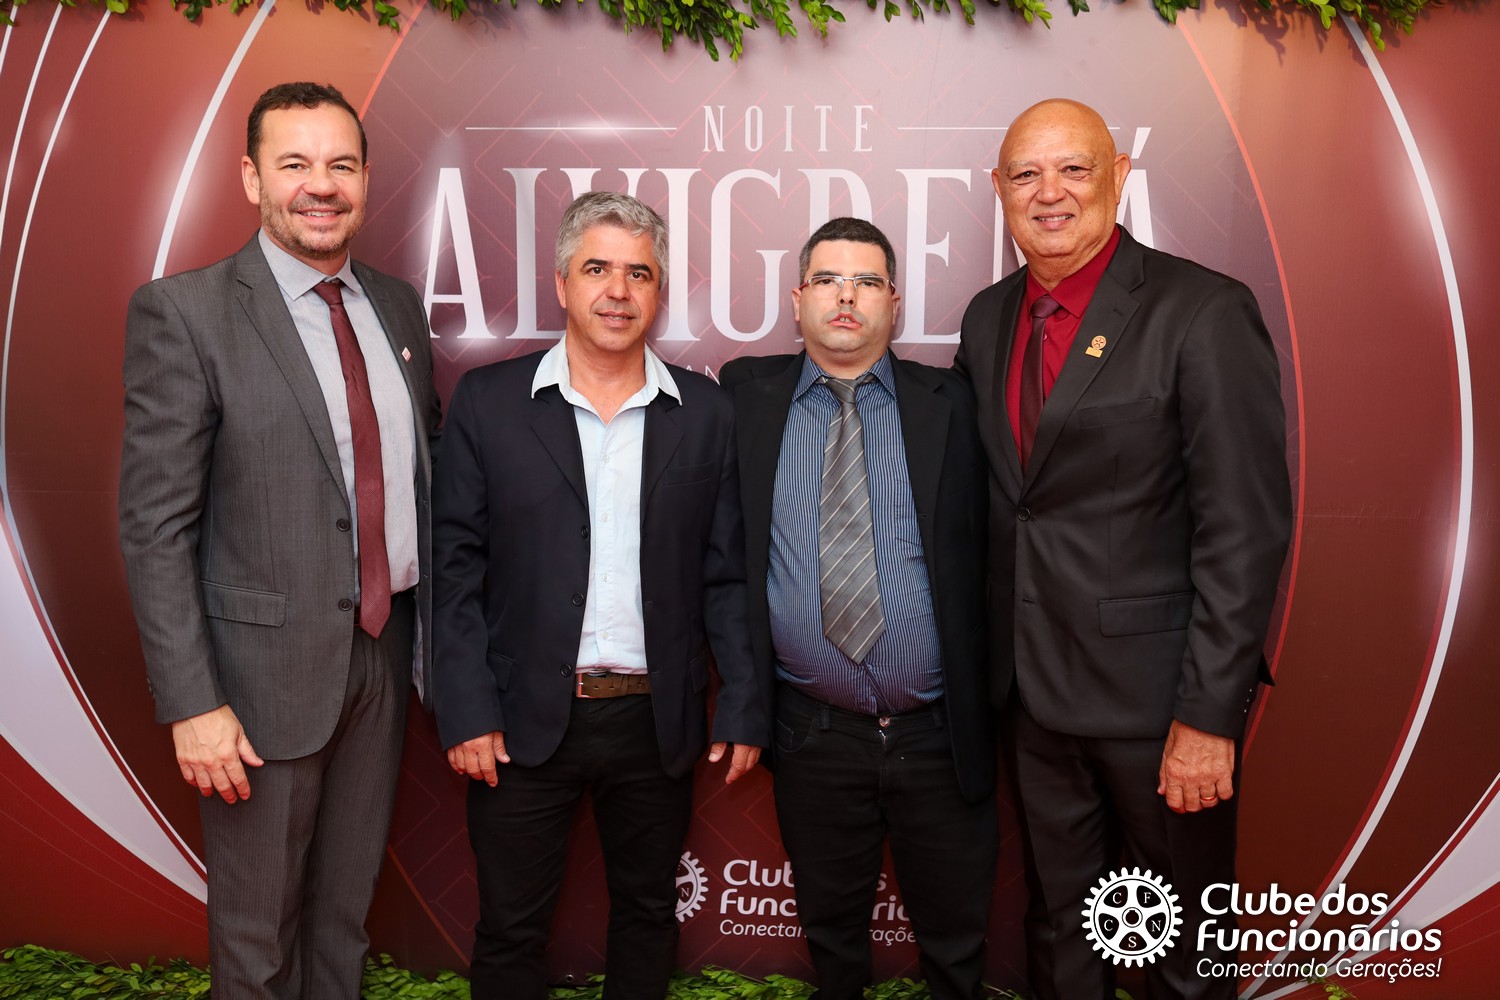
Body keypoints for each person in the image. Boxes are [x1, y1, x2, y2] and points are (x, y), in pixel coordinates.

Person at [954, 98, 1292, 1000]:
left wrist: (1208, 719)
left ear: (1120, 176)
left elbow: (1244, 530)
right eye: (1026, 174)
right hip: (1031, 698)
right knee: (1062, 936)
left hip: (1160, 712)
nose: (1049, 193)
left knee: (1182, 957)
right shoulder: (987, 319)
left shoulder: (1203, 311)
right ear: (998, 189)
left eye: (1074, 168)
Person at [118, 82, 440, 1000]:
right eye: (295, 164)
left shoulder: (397, 307)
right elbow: (153, 526)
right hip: (255, 685)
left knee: (343, 923)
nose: (321, 185)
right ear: (252, 178)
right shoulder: (187, 312)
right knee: (258, 940)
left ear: (365, 179)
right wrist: (193, 703)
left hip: (383, 656)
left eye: (341, 164)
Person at [432, 191, 769, 1000]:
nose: (618, 291)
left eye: (638, 274)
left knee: (648, 919)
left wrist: (744, 702)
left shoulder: (706, 412)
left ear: (658, 290)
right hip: (518, 722)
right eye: (597, 270)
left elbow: (727, 575)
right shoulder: (488, 402)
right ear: (562, 282)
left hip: (654, 722)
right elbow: (455, 570)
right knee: (510, 930)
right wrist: (468, 708)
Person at [720, 217, 997, 1000]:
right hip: (814, 733)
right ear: (798, 298)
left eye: (868, 282)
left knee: (956, 948)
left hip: (938, 734)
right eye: (829, 281)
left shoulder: (953, 405)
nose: (847, 297)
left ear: (894, 303)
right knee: (833, 945)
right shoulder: (745, 399)